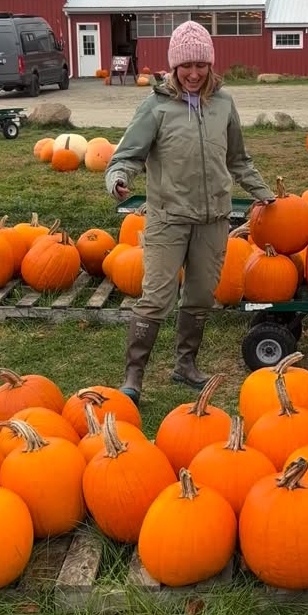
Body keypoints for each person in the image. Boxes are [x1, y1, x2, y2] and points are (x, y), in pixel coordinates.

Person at [105, 20, 275, 404]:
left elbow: (238, 159)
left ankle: (185, 365)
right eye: (186, 66)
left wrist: (265, 195)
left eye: (201, 65)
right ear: (174, 67)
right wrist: (117, 177)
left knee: (199, 296)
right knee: (157, 296)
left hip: (214, 218)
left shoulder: (224, 104)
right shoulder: (156, 107)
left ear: (211, 66)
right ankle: (134, 374)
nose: (194, 73)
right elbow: (126, 155)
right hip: (168, 217)